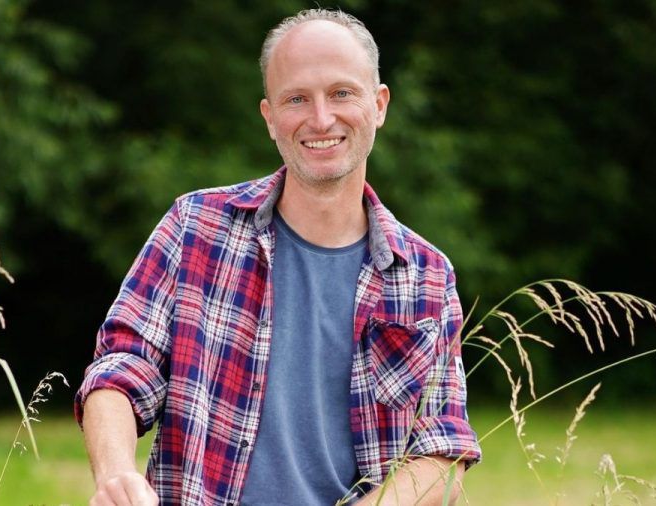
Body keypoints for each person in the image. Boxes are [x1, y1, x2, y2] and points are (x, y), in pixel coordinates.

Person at [76, 8, 481, 506]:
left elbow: (442, 451)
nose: (321, 118)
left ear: (378, 105)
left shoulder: (426, 276)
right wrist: (117, 475)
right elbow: (120, 369)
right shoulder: (194, 227)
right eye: (297, 99)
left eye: (341, 93)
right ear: (270, 118)